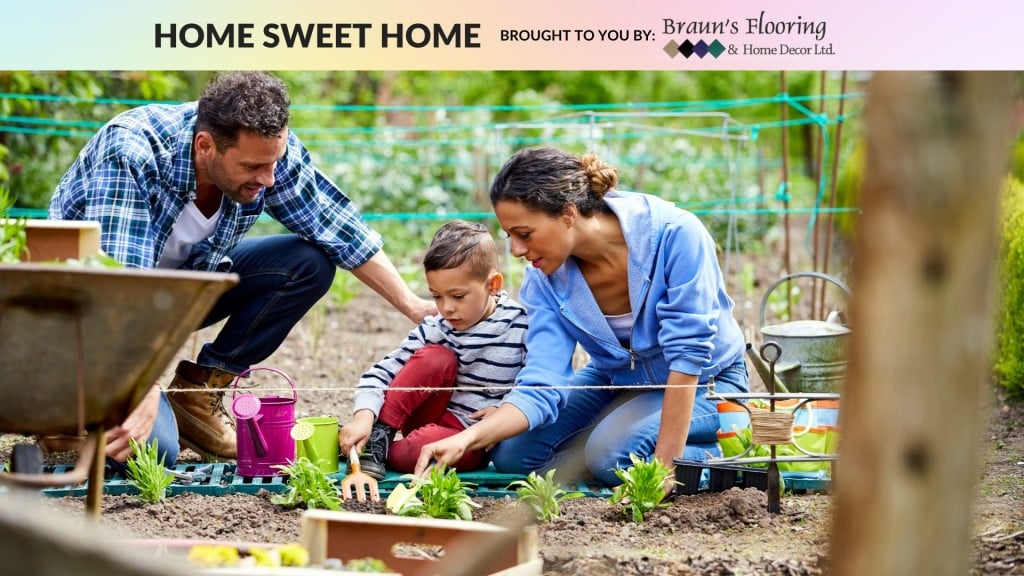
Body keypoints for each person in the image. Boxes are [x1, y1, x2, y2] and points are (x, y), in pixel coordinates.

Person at [46, 71, 435, 466]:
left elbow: (337, 226)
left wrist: (412, 305)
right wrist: (142, 391)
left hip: (173, 296)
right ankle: (61, 410)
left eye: (273, 164)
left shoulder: (265, 152)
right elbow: (116, 287)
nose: (267, 180)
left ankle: (196, 396)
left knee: (307, 264)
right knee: (153, 450)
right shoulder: (132, 151)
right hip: (84, 318)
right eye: (253, 167)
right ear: (205, 146)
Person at [414, 146, 749, 490]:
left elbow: (688, 356)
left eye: (524, 234)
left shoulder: (675, 235)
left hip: (709, 383)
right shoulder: (544, 277)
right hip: (616, 380)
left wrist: (664, 470)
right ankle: (612, 441)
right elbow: (544, 376)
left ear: (568, 213)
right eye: (509, 235)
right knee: (513, 454)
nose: (515, 250)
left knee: (613, 458)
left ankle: (726, 453)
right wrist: (469, 438)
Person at [339, 219, 528, 480]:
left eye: (458, 296)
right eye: (437, 296)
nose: (446, 308)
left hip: (469, 438)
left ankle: (368, 449)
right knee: (436, 357)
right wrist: (364, 417)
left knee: (422, 448)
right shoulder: (438, 327)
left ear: (492, 285)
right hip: (426, 414)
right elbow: (381, 373)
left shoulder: (520, 326)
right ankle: (377, 437)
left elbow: (535, 384)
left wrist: (505, 409)